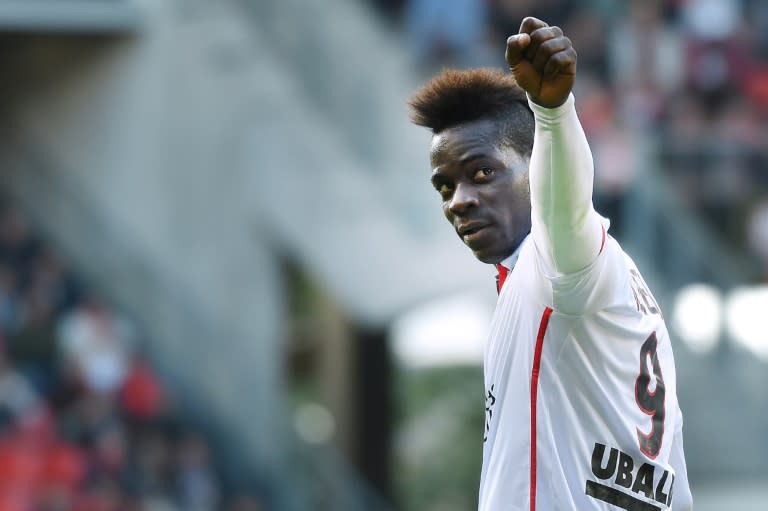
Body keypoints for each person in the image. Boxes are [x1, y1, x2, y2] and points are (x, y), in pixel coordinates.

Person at [408, 16, 693, 511]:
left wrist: (554, 112)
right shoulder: (585, 280)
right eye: (446, 186)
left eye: (482, 172)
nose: (459, 200)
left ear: (536, 167)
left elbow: (567, 213)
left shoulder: (565, 267)